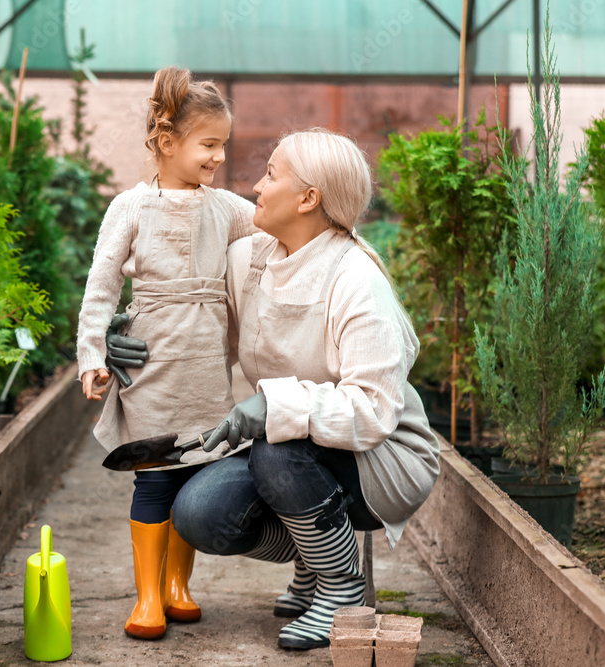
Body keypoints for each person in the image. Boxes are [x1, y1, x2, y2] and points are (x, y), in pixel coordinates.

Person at [107, 128, 440, 651]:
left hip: (382, 459)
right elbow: (179, 297)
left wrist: (276, 405)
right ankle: (315, 556)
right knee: (200, 513)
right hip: (292, 448)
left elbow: (375, 412)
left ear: (309, 199)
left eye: (270, 174)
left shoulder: (355, 279)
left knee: (276, 452)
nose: (255, 186)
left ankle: (339, 584)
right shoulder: (251, 258)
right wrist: (121, 330)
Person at [75, 66, 257, 640]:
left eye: (223, 145)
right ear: (167, 141)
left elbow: (274, 232)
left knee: (194, 472)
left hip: (206, 366)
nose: (218, 157)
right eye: (209, 144)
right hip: (151, 366)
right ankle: (147, 597)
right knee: (154, 478)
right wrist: (92, 356)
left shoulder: (226, 208)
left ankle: (179, 587)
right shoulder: (130, 208)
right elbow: (101, 287)